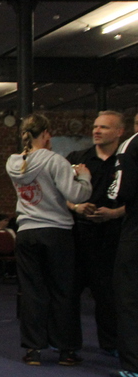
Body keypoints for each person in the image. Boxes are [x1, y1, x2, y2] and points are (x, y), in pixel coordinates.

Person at [6, 114, 92, 366]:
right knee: (62, 291)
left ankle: (33, 349)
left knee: (32, 291)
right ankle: (66, 350)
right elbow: (77, 194)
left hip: (26, 232)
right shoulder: (56, 160)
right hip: (56, 231)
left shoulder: (13, 162)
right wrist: (83, 176)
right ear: (45, 134)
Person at [66, 111, 125, 355]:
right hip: (78, 234)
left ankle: (110, 344)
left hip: (112, 235)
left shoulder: (126, 162)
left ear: (119, 132)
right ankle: (67, 343)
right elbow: (58, 193)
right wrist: (76, 207)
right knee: (70, 291)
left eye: (104, 127)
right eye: (95, 127)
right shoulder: (77, 158)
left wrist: (114, 213)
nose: (97, 131)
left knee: (107, 294)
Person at [109, 112, 138, 377]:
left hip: (135, 233)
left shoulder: (131, 145)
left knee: (129, 298)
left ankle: (134, 365)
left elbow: (120, 192)